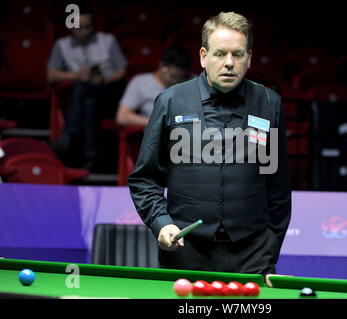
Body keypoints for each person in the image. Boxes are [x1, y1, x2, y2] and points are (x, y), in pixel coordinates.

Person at [128, 12, 291, 275]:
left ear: (249, 58)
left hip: (253, 255)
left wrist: (271, 245)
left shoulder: (269, 103)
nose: (229, 63)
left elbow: (278, 185)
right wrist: (161, 223)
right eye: (220, 54)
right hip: (186, 251)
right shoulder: (171, 101)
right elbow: (145, 179)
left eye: (238, 54)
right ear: (204, 56)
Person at [47, 8, 127, 170]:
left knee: (83, 90)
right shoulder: (62, 45)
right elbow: (51, 75)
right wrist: (77, 75)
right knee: (87, 98)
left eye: (88, 26)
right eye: (80, 27)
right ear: (70, 26)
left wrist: (105, 79)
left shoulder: (107, 40)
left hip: (109, 91)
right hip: (85, 95)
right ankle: (91, 157)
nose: (85, 31)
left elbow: (122, 70)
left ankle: (69, 134)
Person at [116, 45, 191, 127]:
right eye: (173, 76)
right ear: (162, 66)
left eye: (180, 77)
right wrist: (158, 123)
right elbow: (122, 117)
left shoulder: (191, 81)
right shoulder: (141, 82)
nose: (176, 81)